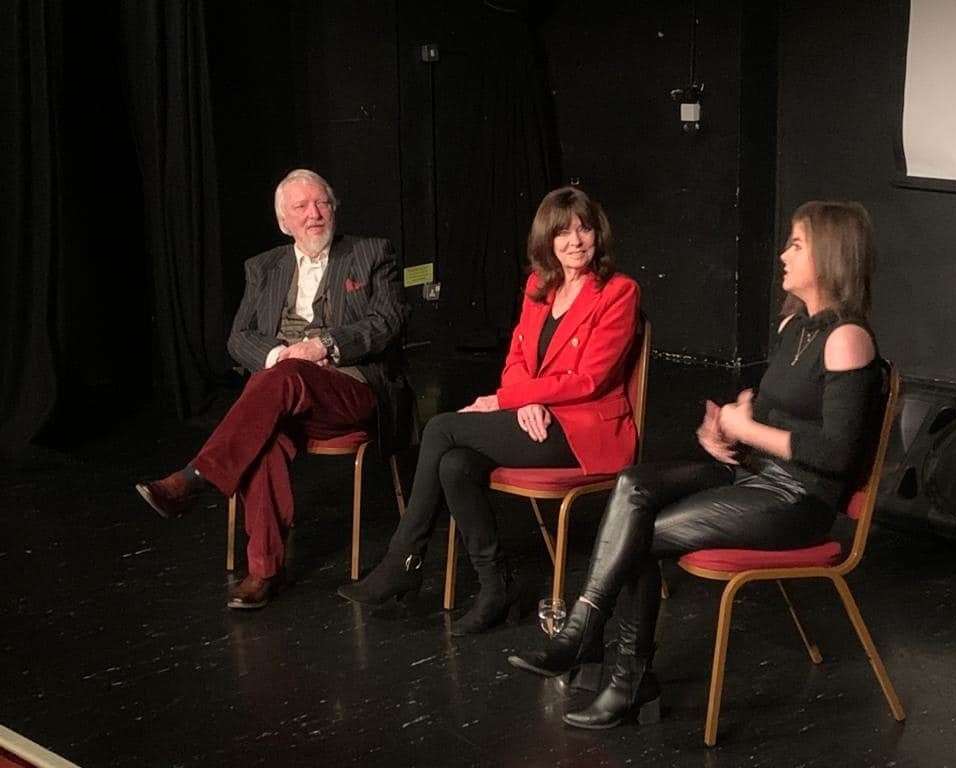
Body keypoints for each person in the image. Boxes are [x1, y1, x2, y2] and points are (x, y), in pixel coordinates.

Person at [508, 200, 885, 730]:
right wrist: (725, 435)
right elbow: (775, 426)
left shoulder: (848, 340)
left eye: (795, 244)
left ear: (831, 253)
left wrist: (747, 428)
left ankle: (613, 666)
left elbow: (837, 455)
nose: (783, 254)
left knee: (642, 532)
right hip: (756, 476)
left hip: (798, 502)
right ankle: (593, 645)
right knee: (634, 487)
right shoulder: (794, 327)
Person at [338, 186, 641, 636]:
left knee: (442, 428)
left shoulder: (618, 292)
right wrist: (528, 397)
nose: (575, 241)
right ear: (547, 240)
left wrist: (507, 399)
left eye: (584, 229)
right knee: (457, 465)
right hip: (540, 415)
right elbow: (517, 359)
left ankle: (404, 558)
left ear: (599, 234)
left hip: (585, 430)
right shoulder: (540, 287)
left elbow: (589, 380)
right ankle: (495, 585)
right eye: (563, 232)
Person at [135, 169, 411, 610]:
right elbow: (239, 336)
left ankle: (196, 477)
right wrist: (281, 354)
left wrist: (322, 345)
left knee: (277, 383)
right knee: (265, 433)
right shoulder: (263, 268)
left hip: (350, 388)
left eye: (321, 203)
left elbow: (387, 322)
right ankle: (264, 570)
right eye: (301, 208)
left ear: (334, 208)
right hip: (282, 391)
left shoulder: (372, 253)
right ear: (284, 222)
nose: (314, 214)